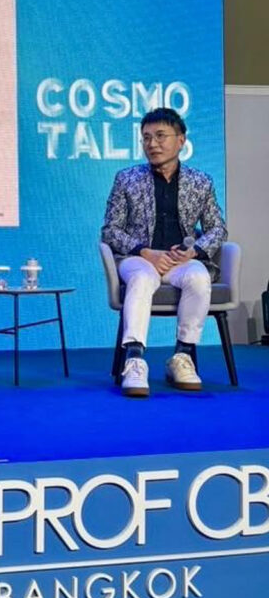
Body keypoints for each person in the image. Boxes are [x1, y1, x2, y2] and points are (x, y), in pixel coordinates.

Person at [101, 107, 227, 397]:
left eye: (160, 136)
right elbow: (110, 230)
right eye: (146, 138)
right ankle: (134, 360)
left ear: (181, 140)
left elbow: (218, 229)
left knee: (198, 277)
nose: (152, 144)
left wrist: (194, 251)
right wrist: (144, 251)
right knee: (143, 279)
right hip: (138, 259)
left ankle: (182, 357)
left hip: (180, 261)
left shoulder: (200, 182)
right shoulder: (127, 179)